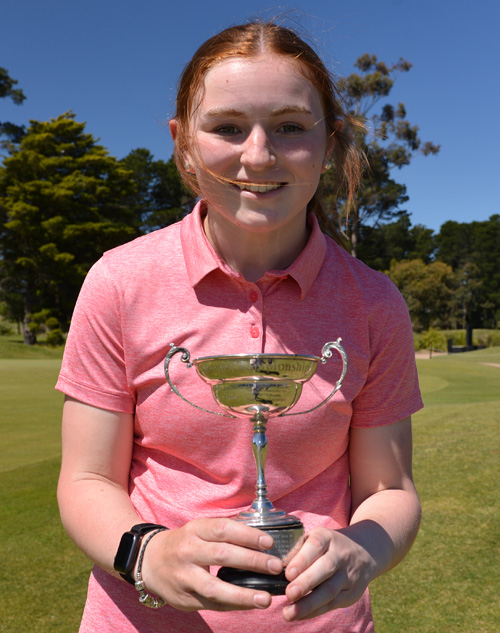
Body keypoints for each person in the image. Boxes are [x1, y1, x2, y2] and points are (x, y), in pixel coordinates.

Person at [56, 21, 423, 633]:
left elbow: (391, 489)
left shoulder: (373, 302)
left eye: (290, 127)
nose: (258, 155)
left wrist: (363, 549)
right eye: (227, 127)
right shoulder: (119, 281)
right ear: (183, 143)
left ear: (329, 143)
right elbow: (86, 478)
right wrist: (146, 553)